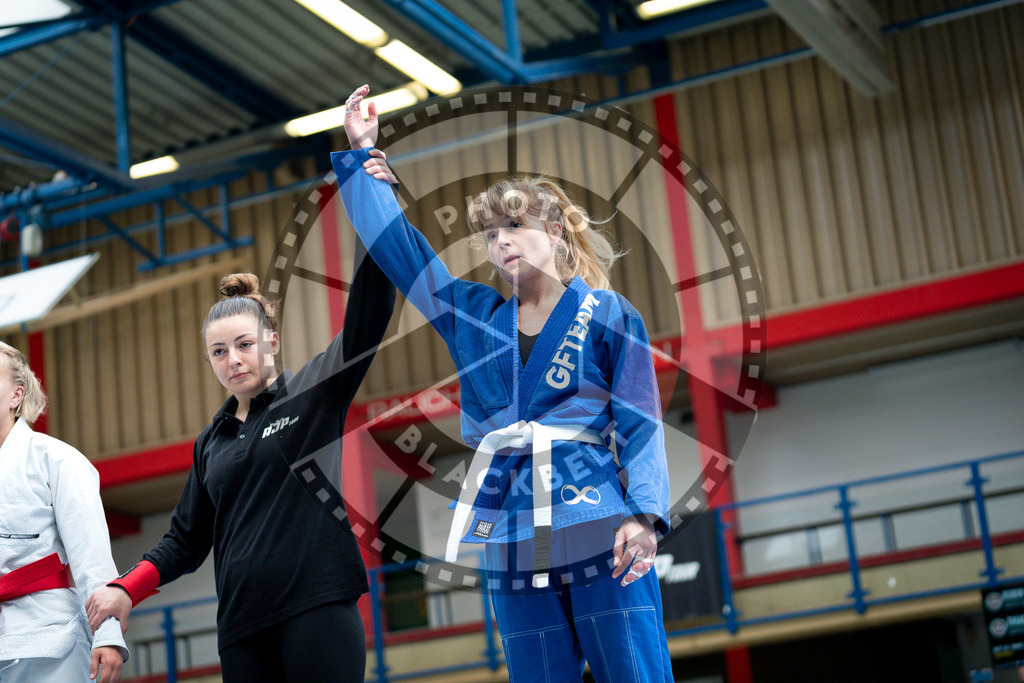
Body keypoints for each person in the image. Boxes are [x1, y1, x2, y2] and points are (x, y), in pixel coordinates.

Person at [335, 84, 673, 683]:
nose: (501, 241)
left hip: (596, 517)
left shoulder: (607, 313)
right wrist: (365, 161)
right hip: (511, 529)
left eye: (514, 225)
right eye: (491, 234)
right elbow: (406, 257)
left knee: (633, 668)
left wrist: (644, 514)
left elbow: (641, 422)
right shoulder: (473, 318)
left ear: (557, 231)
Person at [84, 242, 395, 683]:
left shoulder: (313, 393)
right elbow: (185, 540)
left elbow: (368, 318)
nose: (233, 360)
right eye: (218, 351)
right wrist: (126, 589)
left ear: (272, 342)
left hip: (318, 609)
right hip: (241, 630)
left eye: (244, 345)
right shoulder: (211, 442)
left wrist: (373, 223)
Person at [0, 342, 127, 683]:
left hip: (50, 642)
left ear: (16, 396)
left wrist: (108, 633)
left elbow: (91, 557)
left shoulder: (57, 460)